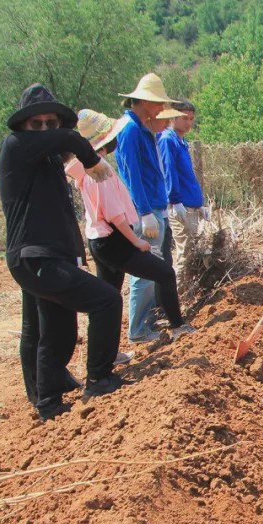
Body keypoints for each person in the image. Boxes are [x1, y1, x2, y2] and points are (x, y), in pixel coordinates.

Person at [0, 84, 125, 421]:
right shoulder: (15, 147)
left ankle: (47, 398)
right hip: (34, 256)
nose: (44, 131)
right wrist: (93, 161)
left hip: (47, 256)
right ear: (23, 127)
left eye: (49, 124)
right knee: (107, 301)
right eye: (35, 125)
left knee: (54, 330)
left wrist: (75, 254)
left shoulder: (47, 162)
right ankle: (98, 378)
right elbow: (70, 139)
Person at [71, 109, 195, 341]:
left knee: (109, 296)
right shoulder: (101, 174)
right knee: (165, 274)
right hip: (113, 240)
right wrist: (136, 241)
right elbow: (115, 215)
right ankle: (175, 326)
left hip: (98, 239)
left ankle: (109, 351)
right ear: (107, 140)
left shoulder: (88, 170)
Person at [114, 73, 179, 343]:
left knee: (153, 271)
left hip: (153, 206)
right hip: (145, 210)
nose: (161, 110)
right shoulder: (129, 130)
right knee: (144, 273)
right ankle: (138, 329)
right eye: (158, 104)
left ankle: (146, 323)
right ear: (143, 102)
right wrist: (144, 212)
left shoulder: (142, 128)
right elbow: (132, 175)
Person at [159, 100, 209, 267]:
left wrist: (199, 204)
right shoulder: (168, 140)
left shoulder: (181, 142)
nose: (189, 123)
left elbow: (187, 176)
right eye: (185, 118)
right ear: (173, 117)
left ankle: (191, 291)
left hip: (190, 204)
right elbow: (169, 171)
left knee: (195, 252)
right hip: (181, 206)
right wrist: (175, 200)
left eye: (191, 119)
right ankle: (181, 291)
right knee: (185, 256)